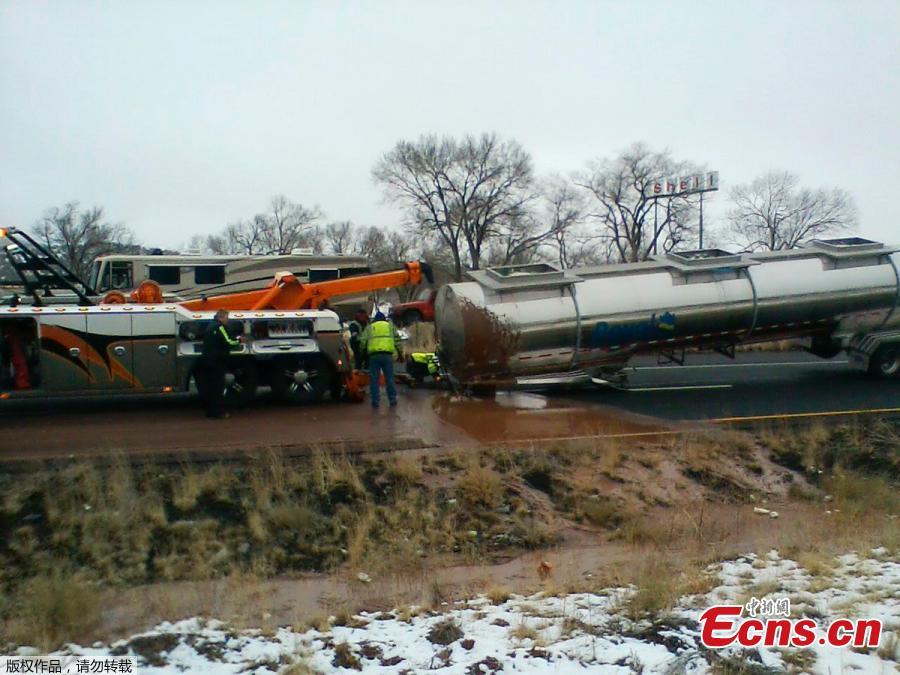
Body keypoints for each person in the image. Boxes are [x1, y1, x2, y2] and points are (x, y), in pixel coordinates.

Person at [199, 309, 244, 419]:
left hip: (208, 360)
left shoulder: (210, 326)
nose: (227, 321)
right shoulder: (219, 327)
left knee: (211, 387)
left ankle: (210, 412)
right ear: (221, 317)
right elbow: (228, 341)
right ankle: (217, 412)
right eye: (227, 318)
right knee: (218, 388)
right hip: (217, 361)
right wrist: (239, 341)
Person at [359, 310, 402, 409]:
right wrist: (401, 353)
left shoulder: (370, 327)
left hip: (374, 356)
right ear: (384, 319)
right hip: (387, 356)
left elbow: (362, 341)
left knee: (374, 379)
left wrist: (361, 354)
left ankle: (375, 401)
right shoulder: (390, 326)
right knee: (390, 378)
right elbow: (397, 341)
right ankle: (392, 399)